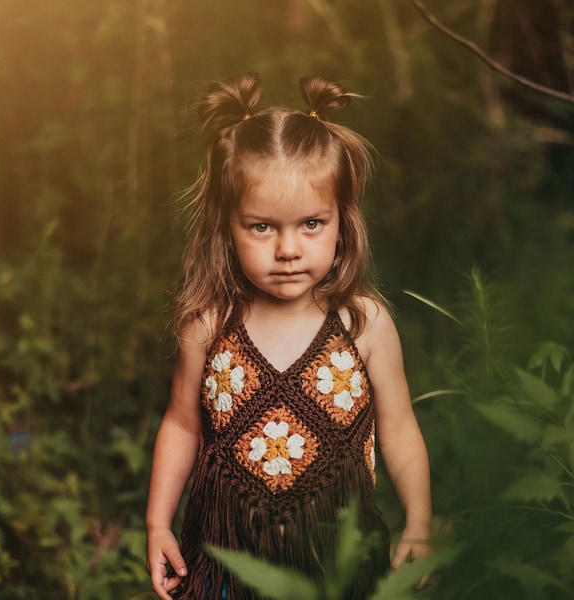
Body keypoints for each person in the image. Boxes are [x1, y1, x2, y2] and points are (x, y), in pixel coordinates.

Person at [146, 73, 432, 600]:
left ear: (342, 221)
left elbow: (398, 427)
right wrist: (158, 524)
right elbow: (182, 425)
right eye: (261, 227)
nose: (288, 249)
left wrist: (418, 522)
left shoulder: (362, 324)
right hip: (226, 570)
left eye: (311, 224)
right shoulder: (208, 326)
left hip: (337, 568)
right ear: (226, 226)